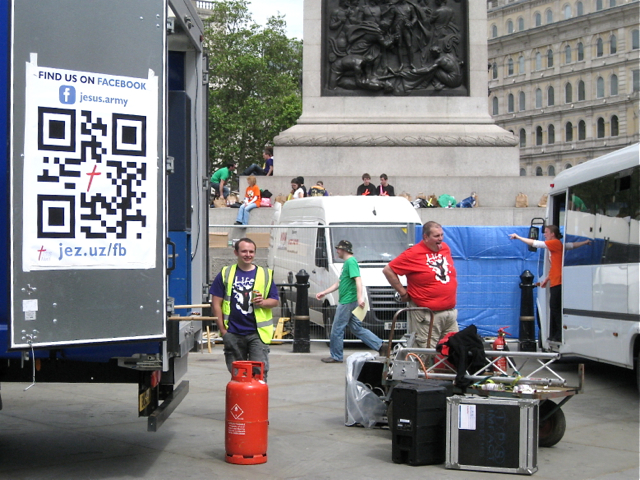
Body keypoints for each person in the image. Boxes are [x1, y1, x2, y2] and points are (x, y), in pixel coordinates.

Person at [210, 238, 279, 378]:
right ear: (236, 252)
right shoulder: (225, 273)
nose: (248, 254)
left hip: (257, 334)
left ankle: (256, 400)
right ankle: (239, 401)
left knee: (258, 374)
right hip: (233, 332)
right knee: (238, 375)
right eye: (244, 251)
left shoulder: (265, 274)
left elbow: (275, 301)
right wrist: (223, 331)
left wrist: (263, 302)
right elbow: (216, 303)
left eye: (251, 251)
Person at [383, 221, 459, 348]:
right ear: (426, 237)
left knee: (454, 349)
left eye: (441, 235)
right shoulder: (413, 253)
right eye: (436, 236)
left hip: (449, 312)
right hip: (428, 314)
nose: (440, 239)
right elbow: (388, 270)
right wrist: (403, 292)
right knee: (426, 351)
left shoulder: (445, 248)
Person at [509, 226, 591, 342]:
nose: (544, 234)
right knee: (554, 307)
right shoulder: (558, 245)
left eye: (546, 232)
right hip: (556, 280)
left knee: (555, 308)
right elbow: (570, 247)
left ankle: (559, 333)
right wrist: (546, 279)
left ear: (553, 234)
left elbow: (536, 243)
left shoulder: (554, 243)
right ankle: (556, 333)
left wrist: (518, 237)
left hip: (558, 281)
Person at [317, 240, 387, 363]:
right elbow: (339, 283)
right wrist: (325, 292)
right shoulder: (348, 263)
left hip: (347, 301)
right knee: (356, 328)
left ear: (344, 250)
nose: (337, 251)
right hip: (349, 300)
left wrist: (360, 298)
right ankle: (381, 346)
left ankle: (336, 356)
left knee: (337, 329)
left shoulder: (350, 262)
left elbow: (358, 280)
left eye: (338, 249)